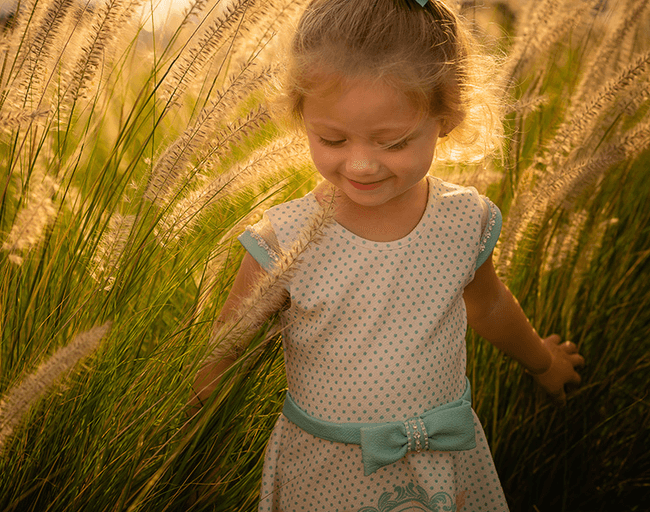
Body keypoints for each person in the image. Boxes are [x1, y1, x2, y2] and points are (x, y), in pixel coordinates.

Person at [192, 0, 585, 510]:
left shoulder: (463, 221)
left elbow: (488, 306)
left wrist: (543, 361)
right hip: (325, 472)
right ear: (300, 115)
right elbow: (227, 348)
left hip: (443, 461)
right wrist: (196, 443)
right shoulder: (285, 241)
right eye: (331, 138)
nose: (361, 164)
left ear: (447, 117)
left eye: (393, 142)